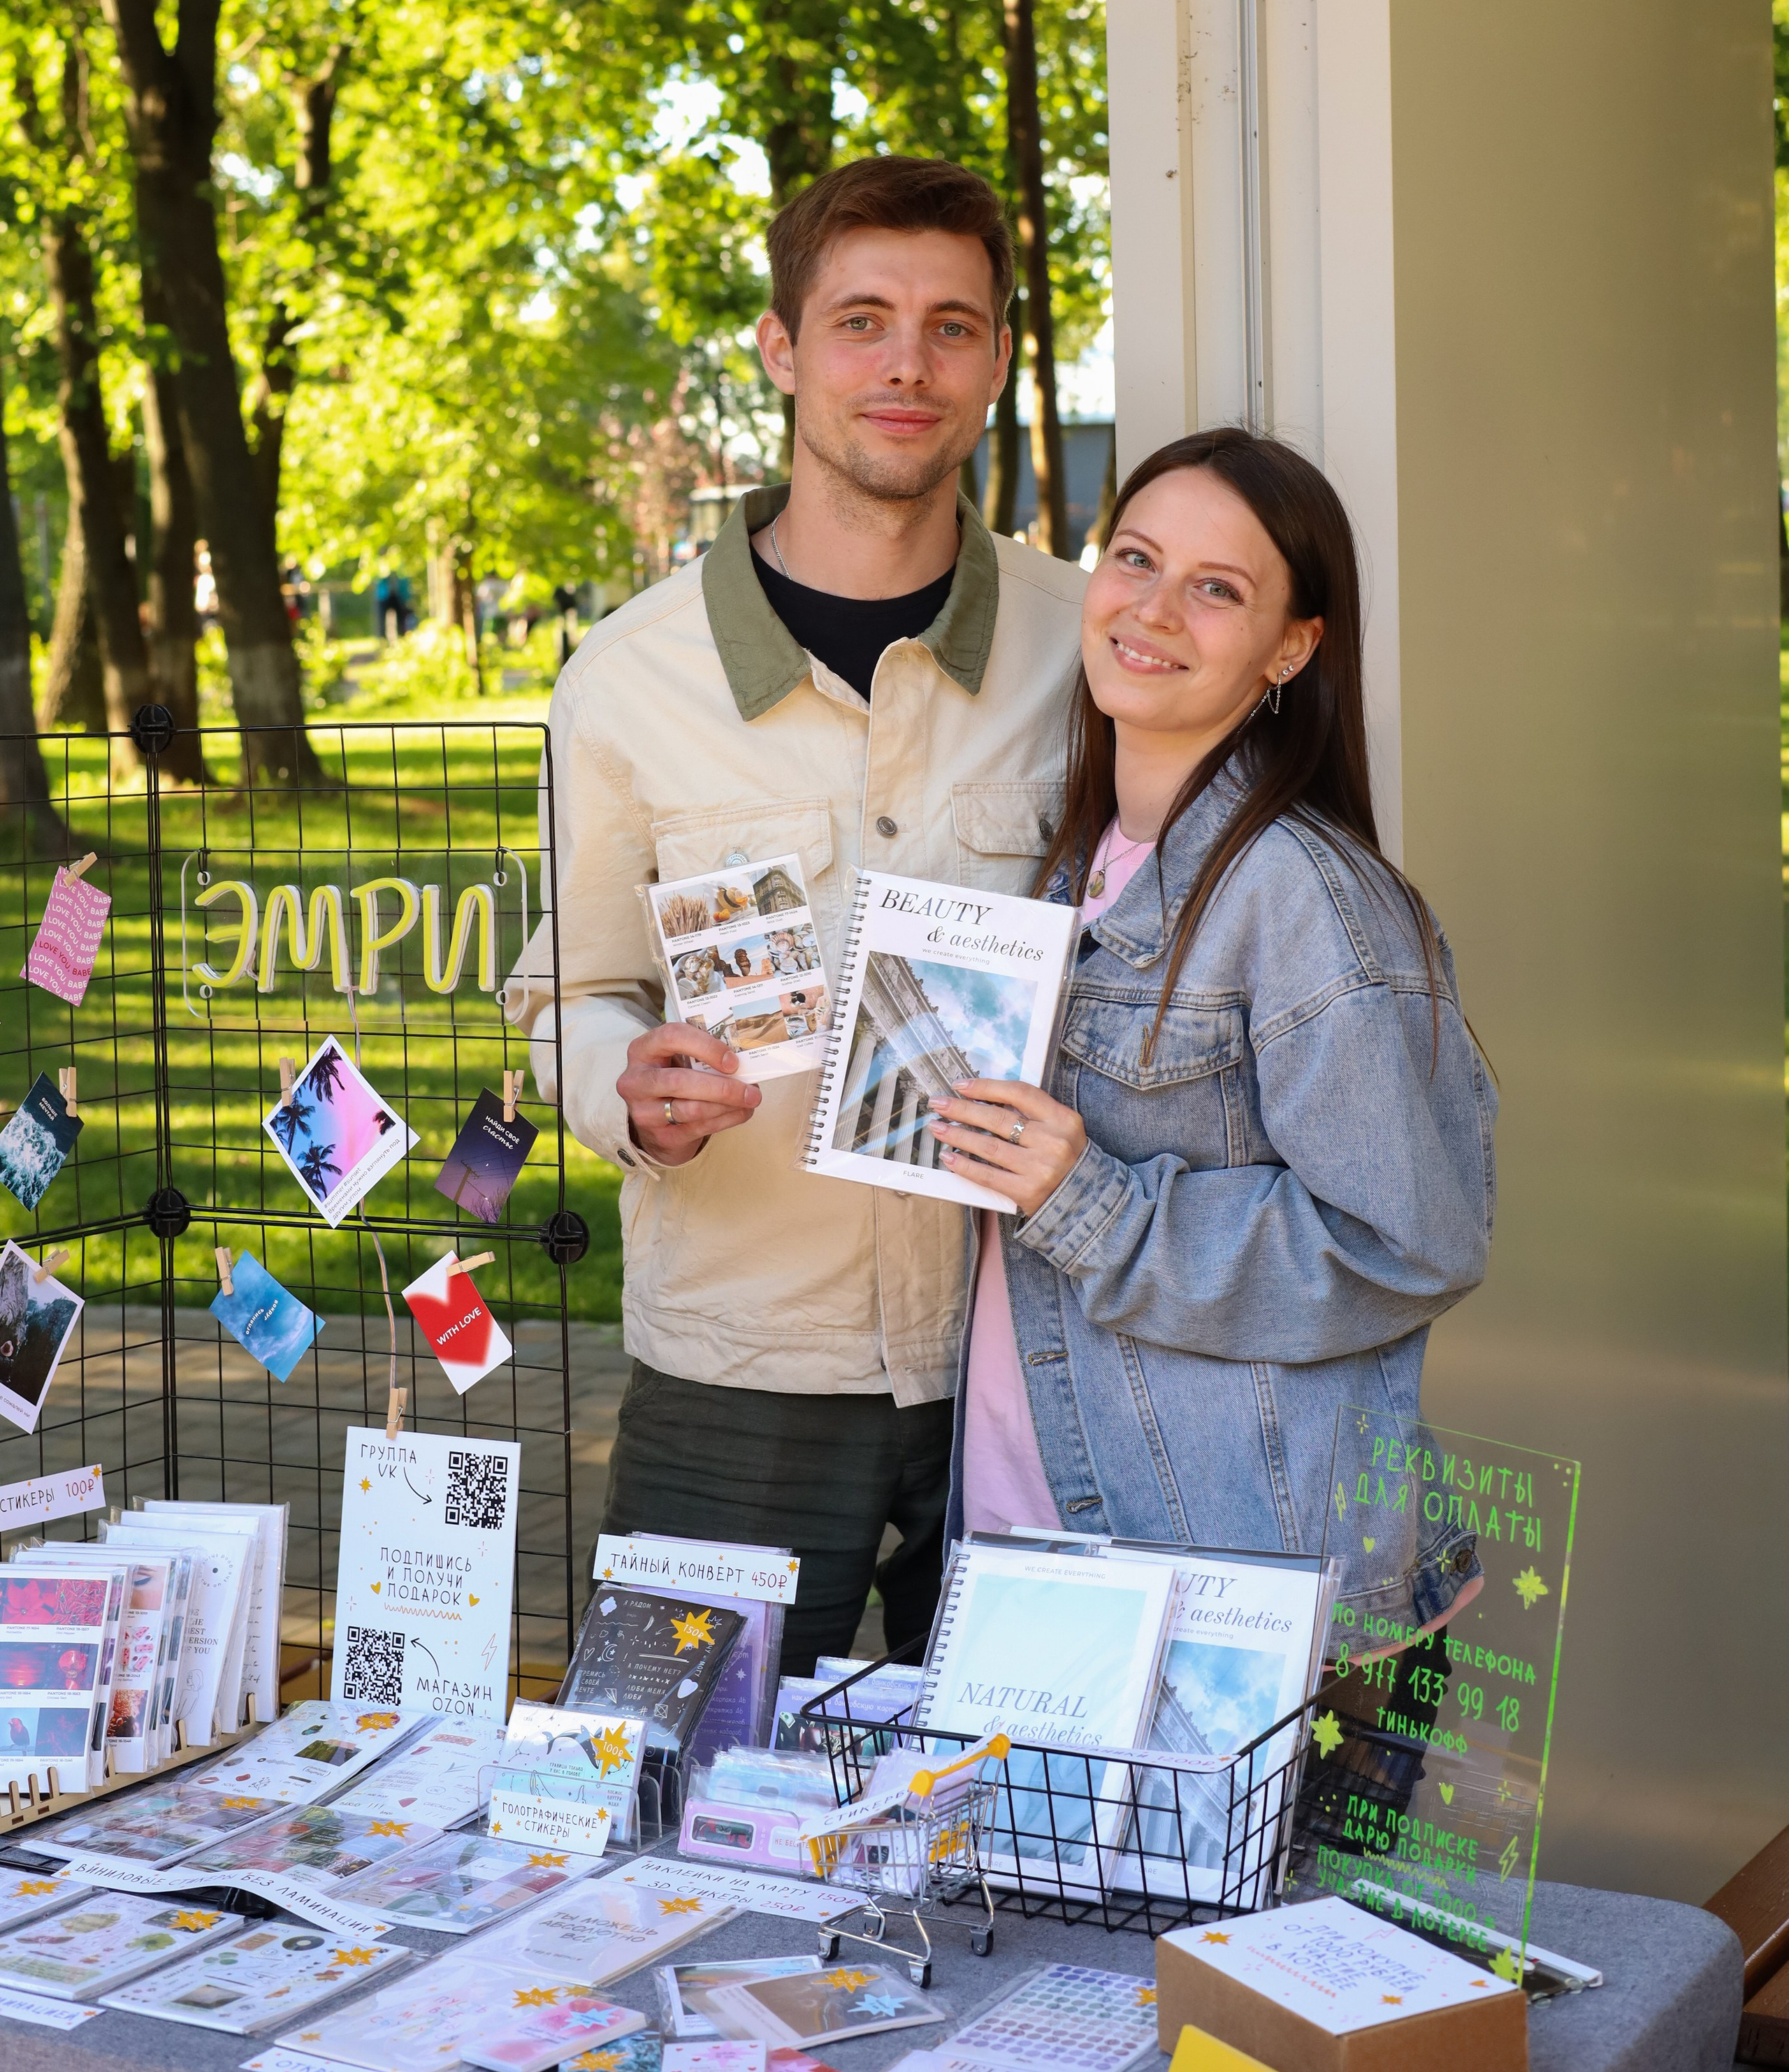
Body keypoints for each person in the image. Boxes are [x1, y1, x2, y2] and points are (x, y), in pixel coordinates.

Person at [504, 155, 1086, 1670]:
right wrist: (621, 1088)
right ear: (779, 349)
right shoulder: (626, 680)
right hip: (735, 1375)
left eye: (954, 326)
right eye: (861, 321)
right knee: (669, 1816)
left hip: (1036, 1369)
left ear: (1000, 354)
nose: (907, 364)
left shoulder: (1085, 648)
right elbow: (570, 992)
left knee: (1019, 1856)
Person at [929, 428, 1494, 1608]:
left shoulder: (1302, 897)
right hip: (1032, 1544)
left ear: (1292, 647)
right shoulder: (1071, 866)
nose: (1155, 610)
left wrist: (1092, 1205)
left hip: (1242, 1591)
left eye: (1218, 590)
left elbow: (1410, 1242)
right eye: (1135, 560)